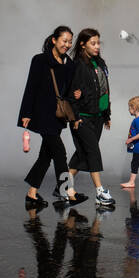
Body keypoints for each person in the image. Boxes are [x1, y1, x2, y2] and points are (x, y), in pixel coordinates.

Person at [18, 26, 84, 209]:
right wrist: (26, 113)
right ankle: (66, 191)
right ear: (54, 40)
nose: (67, 45)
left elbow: (70, 92)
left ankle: (32, 193)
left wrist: (76, 96)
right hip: (41, 113)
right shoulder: (40, 60)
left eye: (70, 42)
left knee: (45, 156)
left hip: (57, 115)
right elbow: (30, 87)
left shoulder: (69, 64)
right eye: (64, 41)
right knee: (59, 152)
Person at [66, 28, 115, 209]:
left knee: (83, 153)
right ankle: (100, 192)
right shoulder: (78, 65)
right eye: (93, 43)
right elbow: (72, 93)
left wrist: (106, 114)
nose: (97, 46)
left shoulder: (99, 62)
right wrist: (76, 116)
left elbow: (104, 90)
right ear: (82, 44)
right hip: (83, 118)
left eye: (98, 43)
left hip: (97, 117)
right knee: (93, 152)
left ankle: (63, 185)